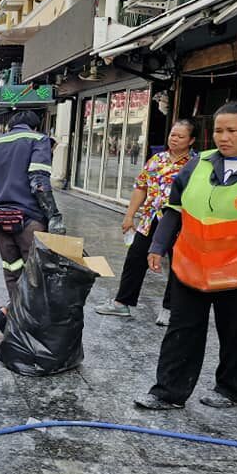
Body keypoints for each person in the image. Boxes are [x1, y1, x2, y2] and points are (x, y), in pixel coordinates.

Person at [135, 101, 237, 410]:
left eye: (232, 130)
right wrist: (158, 246)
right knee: (182, 329)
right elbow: (174, 208)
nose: (223, 137)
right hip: (192, 262)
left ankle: (231, 389)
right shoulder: (198, 164)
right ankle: (167, 392)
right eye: (218, 131)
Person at [96, 120, 197, 325]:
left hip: (179, 221)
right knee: (135, 258)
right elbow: (141, 187)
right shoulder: (156, 159)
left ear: (191, 140)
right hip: (150, 219)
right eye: (172, 134)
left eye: (180, 136)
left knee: (177, 265)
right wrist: (129, 216)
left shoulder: (196, 164)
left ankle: (169, 309)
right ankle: (122, 303)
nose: (174, 139)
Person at [0, 109, 65, 330]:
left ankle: (15, 318)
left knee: (12, 269)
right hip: (29, 219)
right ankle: (26, 321)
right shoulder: (39, 139)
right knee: (37, 272)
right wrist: (54, 215)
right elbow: (38, 181)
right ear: (35, 125)